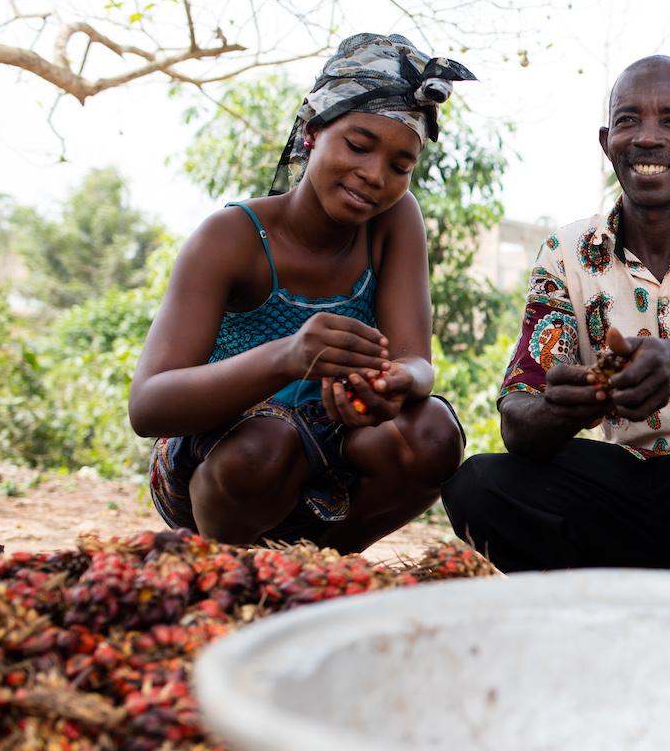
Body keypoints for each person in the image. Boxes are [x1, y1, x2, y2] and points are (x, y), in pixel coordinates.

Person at [442, 56, 670, 573]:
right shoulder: (566, 253)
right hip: (622, 489)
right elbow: (518, 421)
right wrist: (566, 406)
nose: (647, 137)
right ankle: (608, 599)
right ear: (605, 141)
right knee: (478, 484)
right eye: (628, 120)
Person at [130, 33, 473, 553]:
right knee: (266, 444)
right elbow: (149, 406)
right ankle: (233, 565)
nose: (374, 175)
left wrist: (396, 382)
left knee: (432, 434)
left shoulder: (394, 221)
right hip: (221, 461)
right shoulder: (230, 239)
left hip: (333, 450)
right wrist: (287, 357)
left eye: (401, 166)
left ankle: (324, 567)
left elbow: (417, 362)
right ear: (313, 130)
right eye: (357, 146)